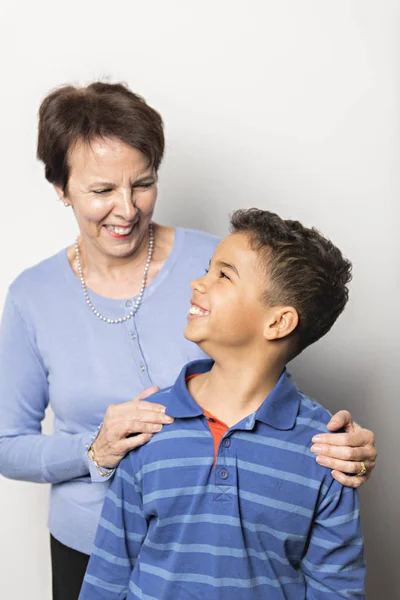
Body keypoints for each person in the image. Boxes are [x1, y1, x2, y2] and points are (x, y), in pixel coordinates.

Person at [0, 82, 374, 600]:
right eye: (102, 190)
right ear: (62, 190)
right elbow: (6, 443)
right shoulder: (30, 296)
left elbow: (265, 387)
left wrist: (341, 448)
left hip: (232, 547)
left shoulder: (219, 260)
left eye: (143, 183)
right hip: (91, 545)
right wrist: (96, 450)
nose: (127, 209)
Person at [79, 208, 366, 600]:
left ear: (278, 323)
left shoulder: (327, 449)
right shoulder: (148, 424)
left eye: (223, 275)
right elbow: (109, 573)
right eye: (208, 269)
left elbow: (336, 589)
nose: (198, 282)